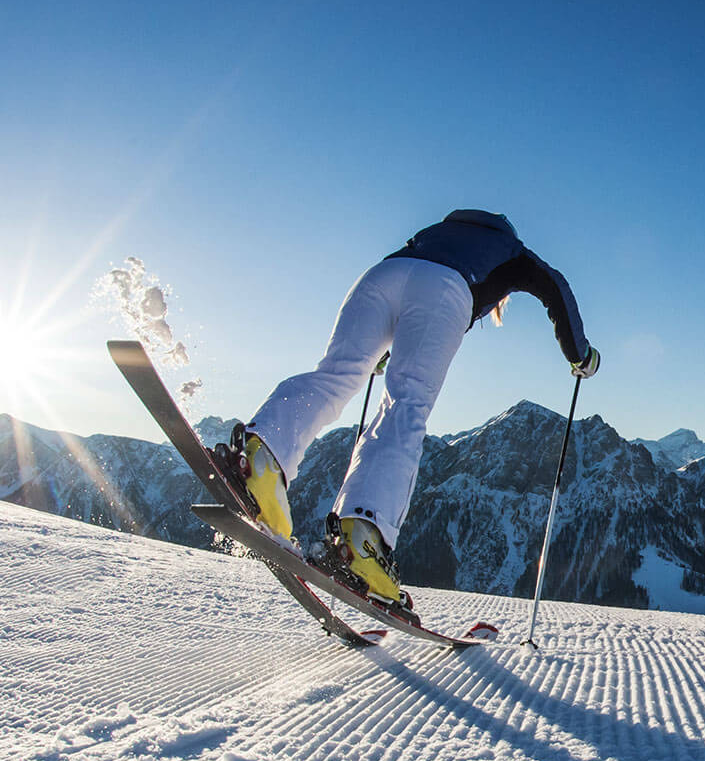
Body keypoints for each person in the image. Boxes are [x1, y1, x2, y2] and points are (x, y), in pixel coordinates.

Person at [224, 210, 598, 613]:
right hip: (445, 290)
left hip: (380, 276)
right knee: (406, 405)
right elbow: (554, 286)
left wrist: (382, 350)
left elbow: (408, 283)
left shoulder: (432, 233)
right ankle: (362, 538)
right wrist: (581, 355)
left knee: (336, 372)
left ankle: (262, 456)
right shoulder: (510, 250)